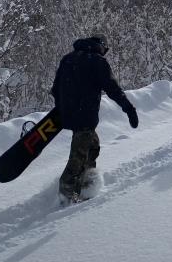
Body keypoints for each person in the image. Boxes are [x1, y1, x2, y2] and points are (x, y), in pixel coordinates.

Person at [51, 35, 139, 201]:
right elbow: (113, 89)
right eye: (105, 50)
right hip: (85, 115)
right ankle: (67, 195)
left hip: (68, 114)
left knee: (93, 146)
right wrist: (129, 109)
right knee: (79, 154)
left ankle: (86, 184)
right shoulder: (97, 62)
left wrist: (63, 107)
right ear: (101, 46)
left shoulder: (68, 59)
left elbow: (55, 88)